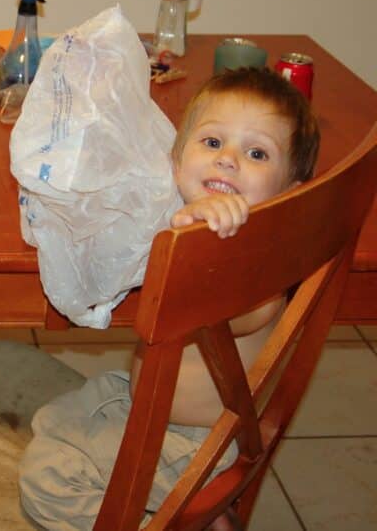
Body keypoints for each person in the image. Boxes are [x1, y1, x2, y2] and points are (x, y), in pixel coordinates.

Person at [18, 66, 320, 531]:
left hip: (197, 445)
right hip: (158, 410)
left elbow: (224, 309)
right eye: (213, 143)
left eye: (257, 152)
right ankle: (200, 512)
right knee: (65, 412)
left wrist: (196, 238)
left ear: (289, 194)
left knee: (48, 482)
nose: (228, 160)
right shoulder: (188, 213)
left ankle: (169, 517)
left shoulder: (262, 265)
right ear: (176, 161)